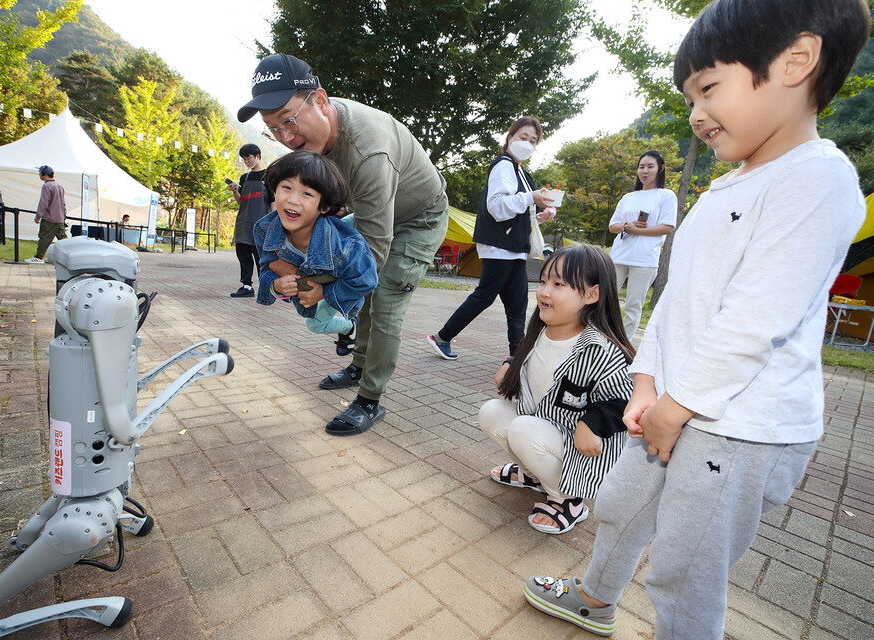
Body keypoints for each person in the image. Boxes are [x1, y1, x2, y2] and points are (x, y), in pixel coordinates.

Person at [523, 1, 871, 638]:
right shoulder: (722, 189)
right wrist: (648, 385)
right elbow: (673, 301)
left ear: (796, 61)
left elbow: (754, 321)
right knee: (621, 506)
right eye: (689, 96)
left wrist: (676, 406)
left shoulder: (818, 180)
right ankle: (596, 599)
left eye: (709, 88)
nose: (695, 113)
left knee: (685, 566)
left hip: (740, 425)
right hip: (674, 405)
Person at [238, 53, 449, 436]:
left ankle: (370, 399)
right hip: (376, 212)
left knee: (382, 298)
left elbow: (371, 253)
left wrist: (322, 287)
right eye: (273, 129)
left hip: (419, 218)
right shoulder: (316, 139)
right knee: (349, 284)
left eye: (288, 120)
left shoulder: (369, 151)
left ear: (320, 101)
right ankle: (358, 364)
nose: (286, 138)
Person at [479, 245, 633, 535]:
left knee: (523, 429)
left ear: (592, 295)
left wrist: (593, 424)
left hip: (581, 447)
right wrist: (509, 365)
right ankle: (534, 475)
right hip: (545, 427)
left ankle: (568, 501)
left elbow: (624, 397)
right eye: (543, 281)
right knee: (491, 412)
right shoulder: (541, 329)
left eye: (559, 284)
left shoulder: (598, 348)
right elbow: (529, 359)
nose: (544, 292)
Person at [427, 117, 555, 361]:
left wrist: (542, 215)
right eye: (522, 137)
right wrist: (531, 198)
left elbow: (517, 215)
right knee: (487, 296)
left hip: (513, 247)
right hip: (499, 246)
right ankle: (442, 337)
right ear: (510, 138)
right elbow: (497, 207)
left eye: (533, 141)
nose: (527, 143)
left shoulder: (522, 173)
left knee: (516, 304)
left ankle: (516, 356)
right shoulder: (504, 166)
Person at [254, 151, 378, 355]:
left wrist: (323, 292)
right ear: (274, 189)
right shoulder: (264, 229)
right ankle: (349, 327)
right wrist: (275, 285)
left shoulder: (347, 246)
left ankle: (350, 326)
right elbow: (267, 268)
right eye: (287, 187)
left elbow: (366, 281)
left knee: (315, 324)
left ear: (324, 206)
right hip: (319, 244)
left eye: (307, 193)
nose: (293, 200)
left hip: (337, 274)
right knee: (312, 323)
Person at [607, 151, 677, 341]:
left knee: (633, 305)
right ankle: (602, 337)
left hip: (645, 259)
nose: (645, 171)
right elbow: (613, 226)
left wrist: (636, 231)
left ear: (660, 169)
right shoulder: (629, 197)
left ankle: (624, 345)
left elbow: (667, 227)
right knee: (605, 300)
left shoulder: (666, 196)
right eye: (641, 167)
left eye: (650, 166)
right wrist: (626, 227)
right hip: (619, 255)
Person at [229, 143, 273, 298]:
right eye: (244, 159)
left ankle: (266, 287)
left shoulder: (268, 177)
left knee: (261, 258)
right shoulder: (244, 178)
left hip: (260, 225)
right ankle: (246, 286)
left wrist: (274, 224)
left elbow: (273, 202)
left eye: (248, 158)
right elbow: (241, 201)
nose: (246, 161)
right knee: (244, 256)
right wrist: (235, 191)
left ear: (258, 156)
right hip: (243, 224)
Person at [25, 166, 67, 264]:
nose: (39, 175)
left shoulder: (47, 186)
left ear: (45, 174)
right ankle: (69, 257)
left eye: (40, 173)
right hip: (59, 218)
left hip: (49, 218)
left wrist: (38, 215)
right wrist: (64, 216)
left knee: (44, 237)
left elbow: (44, 202)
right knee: (63, 240)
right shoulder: (59, 186)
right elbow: (63, 203)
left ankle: (38, 257)